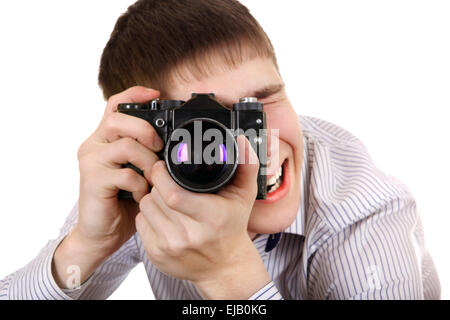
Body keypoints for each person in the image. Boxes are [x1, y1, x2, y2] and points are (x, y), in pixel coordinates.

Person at [0, 0, 440, 300]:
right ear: (150, 142)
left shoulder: (365, 212)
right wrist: (85, 247)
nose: (255, 142)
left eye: (261, 101)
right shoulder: (147, 182)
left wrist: (229, 274)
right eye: (211, 124)